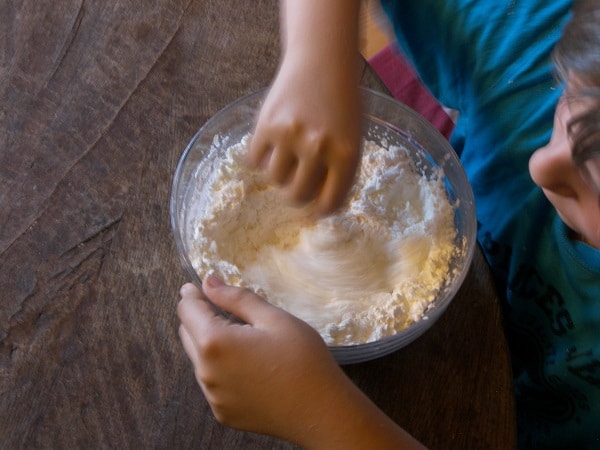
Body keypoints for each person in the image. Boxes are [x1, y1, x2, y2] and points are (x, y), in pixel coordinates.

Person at [177, 0, 600, 448]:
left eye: (593, 179)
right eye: (565, 98)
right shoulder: (538, 48)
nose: (542, 167)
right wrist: (317, 56)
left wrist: (322, 415)